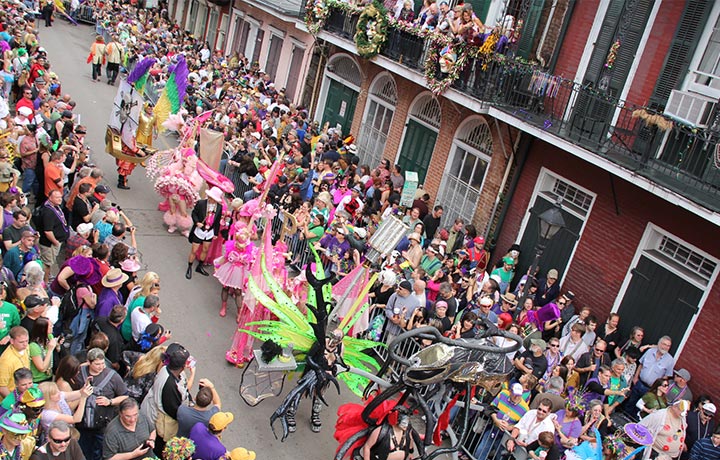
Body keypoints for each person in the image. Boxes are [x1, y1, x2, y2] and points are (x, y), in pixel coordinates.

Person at [76, 348, 129, 460]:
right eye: (97, 364)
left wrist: (110, 401)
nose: (101, 366)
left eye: (102, 363)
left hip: (102, 426)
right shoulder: (80, 372)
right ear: (89, 362)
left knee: (100, 453)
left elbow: (125, 396)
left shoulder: (113, 376)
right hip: (82, 425)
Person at [141, 343, 194, 450]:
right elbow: (173, 410)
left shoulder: (168, 369)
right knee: (160, 448)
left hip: (155, 409)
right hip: (158, 420)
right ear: (183, 366)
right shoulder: (169, 384)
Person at [627, 336, 674, 413]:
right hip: (639, 383)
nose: (665, 347)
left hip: (650, 389)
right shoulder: (650, 351)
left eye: (668, 346)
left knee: (641, 409)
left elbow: (665, 377)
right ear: (659, 343)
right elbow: (641, 365)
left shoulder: (670, 360)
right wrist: (635, 378)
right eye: (664, 344)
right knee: (630, 403)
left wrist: (657, 389)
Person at [186, 187, 223, 279]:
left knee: (205, 249)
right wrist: (197, 222)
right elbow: (194, 213)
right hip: (199, 230)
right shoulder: (201, 203)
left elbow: (217, 221)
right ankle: (189, 266)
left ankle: (200, 266)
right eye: (210, 197)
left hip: (210, 231)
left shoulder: (219, 207)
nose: (211, 199)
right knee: (194, 250)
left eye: (213, 198)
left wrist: (215, 233)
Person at [37, 190, 70, 282]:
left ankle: (48, 275)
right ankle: (46, 281)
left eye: (60, 197)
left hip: (56, 241)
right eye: (57, 197)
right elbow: (48, 231)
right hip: (49, 244)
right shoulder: (48, 212)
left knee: (50, 262)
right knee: (47, 263)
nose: (60, 199)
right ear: (50, 198)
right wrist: (55, 242)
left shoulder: (55, 207)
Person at [0, 326, 30, 397]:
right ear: (12, 341)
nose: (25, 344)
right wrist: (15, 402)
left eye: (27, 341)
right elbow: (2, 387)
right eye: (21, 342)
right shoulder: (6, 361)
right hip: (12, 399)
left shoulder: (26, 348)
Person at [28, 317, 58, 383]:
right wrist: (50, 350)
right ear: (43, 329)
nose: (52, 326)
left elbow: (57, 348)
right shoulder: (33, 346)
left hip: (49, 375)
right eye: (50, 326)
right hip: (38, 380)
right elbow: (42, 368)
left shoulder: (50, 337)